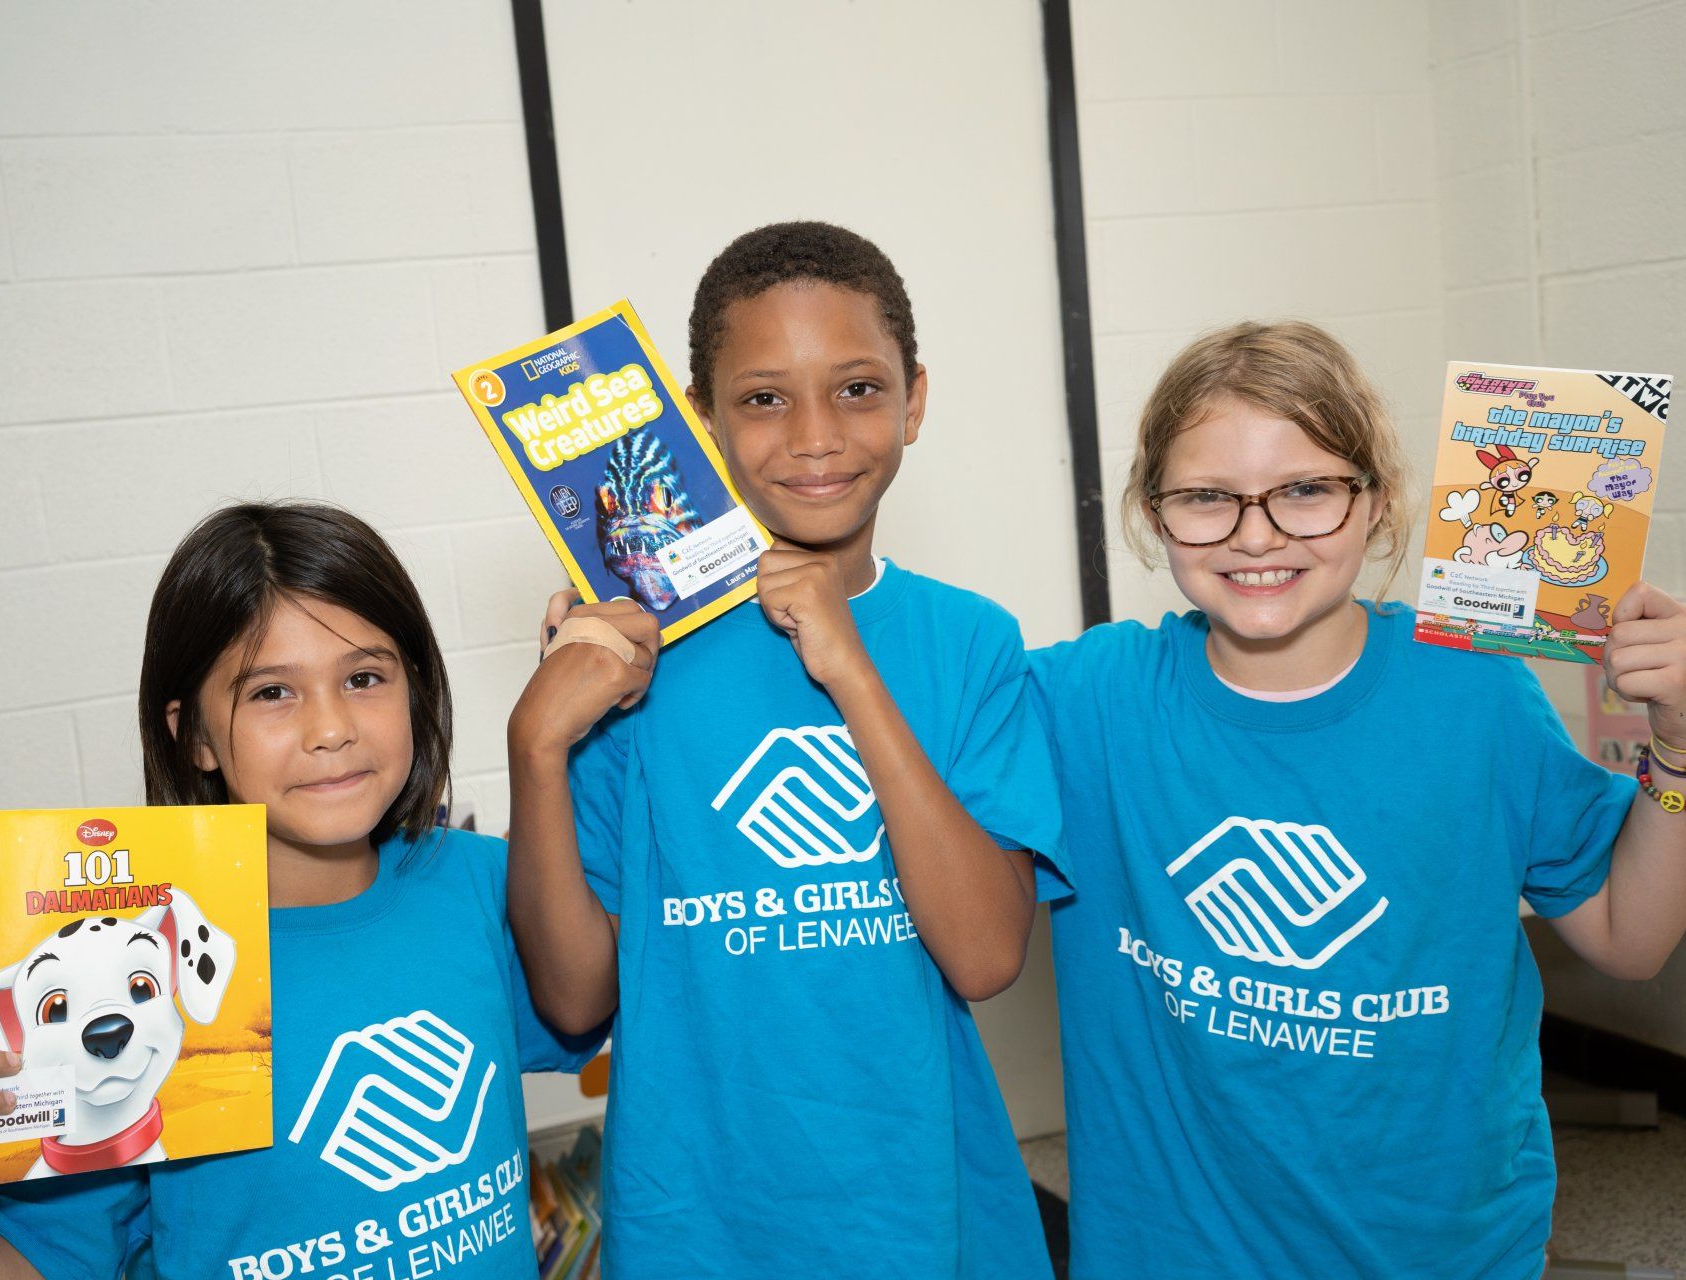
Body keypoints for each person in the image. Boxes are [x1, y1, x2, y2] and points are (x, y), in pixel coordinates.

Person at [1030, 320, 1686, 1278]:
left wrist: (1676, 747)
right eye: (1208, 497)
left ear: (1376, 503)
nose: (1256, 535)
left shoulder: (1477, 695)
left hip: (1444, 1253)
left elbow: (1632, 940)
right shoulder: (1091, 699)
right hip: (1171, 1254)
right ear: (1153, 512)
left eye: (1305, 490)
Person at [506, 222, 1069, 1278]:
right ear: (701, 419)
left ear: (915, 399)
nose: (815, 435)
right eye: (764, 397)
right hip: (699, 1224)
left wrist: (850, 666)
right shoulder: (631, 655)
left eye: (857, 387)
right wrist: (536, 745)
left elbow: (989, 954)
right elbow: (576, 998)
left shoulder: (969, 639)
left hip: (928, 1214)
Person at [0, 502, 597, 1279]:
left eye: (365, 677)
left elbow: (606, 1000)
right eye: (272, 693)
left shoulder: (479, 883)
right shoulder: (117, 980)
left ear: (415, 688)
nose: (330, 727)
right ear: (195, 736)